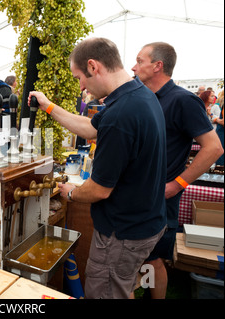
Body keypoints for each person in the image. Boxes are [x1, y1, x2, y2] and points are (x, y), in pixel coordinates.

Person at [29, 38, 167, 299]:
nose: (81, 86)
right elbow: (91, 127)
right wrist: (48, 106)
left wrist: (70, 193)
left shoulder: (121, 114)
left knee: (105, 292)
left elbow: (99, 190)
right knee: (121, 287)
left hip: (123, 232)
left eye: (79, 77)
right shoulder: (137, 94)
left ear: (93, 66)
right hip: (145, 221)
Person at [132, 42, 224, 299]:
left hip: (161, 198)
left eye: (140, 61)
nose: (133, 66)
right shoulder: (145, 97)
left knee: (153, 259)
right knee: (145, 258)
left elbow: (214, 148)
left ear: (157, 66)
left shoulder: (183, 100)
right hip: (141, 195)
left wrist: (177, 185)